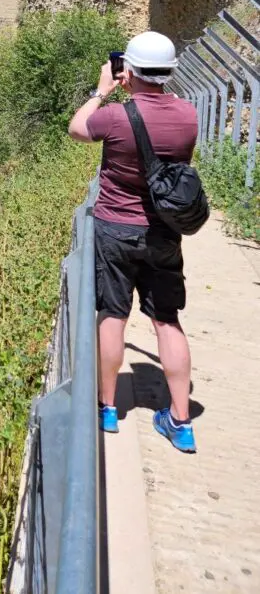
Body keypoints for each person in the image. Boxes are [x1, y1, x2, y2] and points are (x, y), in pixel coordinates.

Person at [68, 31, 199, 453]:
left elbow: (77, 128)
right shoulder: (188, 116)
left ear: (129, 70)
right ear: (170, 72)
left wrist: (102, 90)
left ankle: (108, 407)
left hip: (114, 228)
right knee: (167, 321)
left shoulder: (117, 117)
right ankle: (181, 421)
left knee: (113, 314)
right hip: (163, 232)